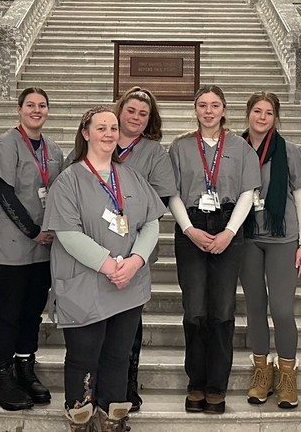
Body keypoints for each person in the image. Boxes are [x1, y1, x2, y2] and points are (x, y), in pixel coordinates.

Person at [43, 106, 163, 432]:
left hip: (128, 284)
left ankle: (113, 416)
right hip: (86, 284)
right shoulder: (69, 180)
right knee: (84, 356)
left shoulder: (131, 176)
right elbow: (67, 233)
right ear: (85, 133)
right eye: (101, 128)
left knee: (117, 355)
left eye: (113, 128)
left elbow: (151, 223)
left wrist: (135, 261)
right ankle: (80, 416)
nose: (108, 134)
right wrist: (110, 265)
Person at [168, 84, 260, 414]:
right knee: (194, 309)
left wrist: (229, 232)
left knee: (222, 310)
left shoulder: (241, 147)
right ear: (195, 110)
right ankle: (196, 383)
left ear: (224, 110)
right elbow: (172, 193)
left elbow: (248, 192)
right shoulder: (179, 147)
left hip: (228, 224)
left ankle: (216, 386)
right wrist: (189, 229)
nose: (209, 110)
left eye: (215, 105)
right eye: (203, 105)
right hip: (191, 225)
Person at [0, 87, 63, 411]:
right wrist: (34, 231)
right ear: (19, 109)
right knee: (8, 314)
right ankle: (2, 379)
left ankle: (25, 369)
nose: (36, 110)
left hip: (42, 252)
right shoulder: (6, 144)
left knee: (32, 313)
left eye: (42, 105)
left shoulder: (53, 149)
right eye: (30, 105)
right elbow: (3, 192)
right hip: (11, 249)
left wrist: (50, 232)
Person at [238, 92, 301, 408]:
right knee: (255, 308)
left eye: (269, 112)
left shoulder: (289, 151)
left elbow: (300, 197)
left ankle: (287, 375)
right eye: (258, 111)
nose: (263, 117)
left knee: (281, 310)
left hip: (283, 238)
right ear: (248, 114)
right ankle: (261, 371)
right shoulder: (234, 150)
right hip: (247, 237)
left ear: (275, 117)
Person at [113, 86, 176, 411]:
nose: (136, 117)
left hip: (135, 244)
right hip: (97, 245)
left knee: (130, 317)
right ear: (120, 110)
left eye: (143, 114)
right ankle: (98, 382)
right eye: (131, 111)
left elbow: (161, 198)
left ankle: (127, 383)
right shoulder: (100, 138)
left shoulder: (154, 152)